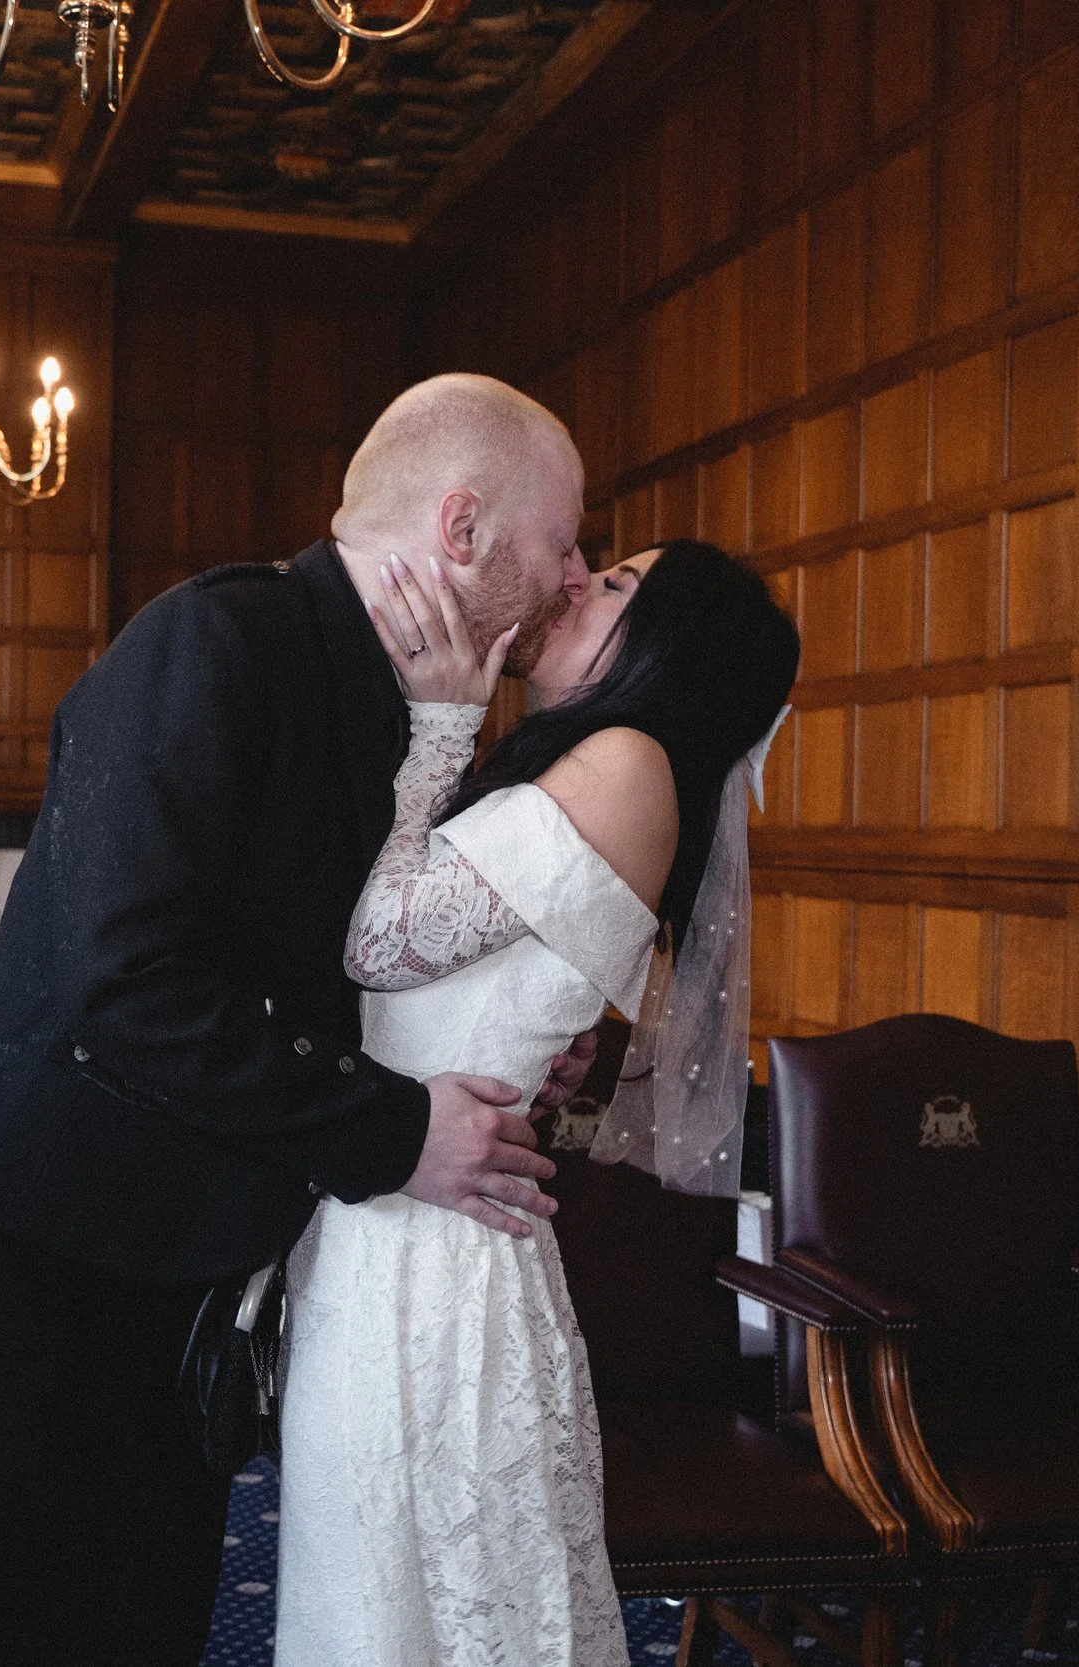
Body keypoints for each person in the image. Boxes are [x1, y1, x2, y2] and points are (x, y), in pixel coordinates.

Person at [0, 373, 598, 1667]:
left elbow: (344, 960)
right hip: (16, 1252)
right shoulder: (219, 638)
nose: (577, 568)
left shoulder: (420, 708)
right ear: (464, 526)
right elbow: (128, 984)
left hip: (163, 1268)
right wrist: (396, 1132)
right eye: (567, 535)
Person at [275, 536, 800, 1667]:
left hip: (437, 1255)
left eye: (614, 585)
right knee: (383, 1592)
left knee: (426, 1605)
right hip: (406, 1214)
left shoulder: (625, 759)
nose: (576, 580)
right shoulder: (601, 762)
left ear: (668, 647)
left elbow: (377, 938)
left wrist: (438, 718)